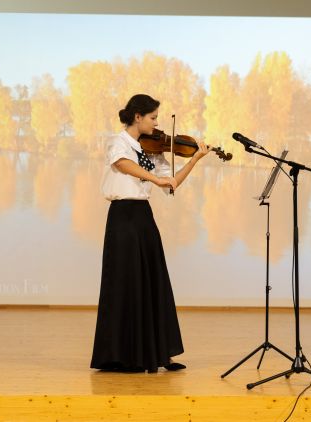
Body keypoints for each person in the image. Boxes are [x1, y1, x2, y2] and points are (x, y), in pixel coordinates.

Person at [90, 94, 209, 373]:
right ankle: (123, 357)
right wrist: (154, 177)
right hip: (122, 218)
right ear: (137, 117)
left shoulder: (153, 150)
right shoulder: (118, 142)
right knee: (126, 283)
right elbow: (123, 165)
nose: (156, 124)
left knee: (152, 281)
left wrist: (195, 160)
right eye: (153, 117)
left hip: (143, 218)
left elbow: (171, 184)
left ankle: (156, 355)